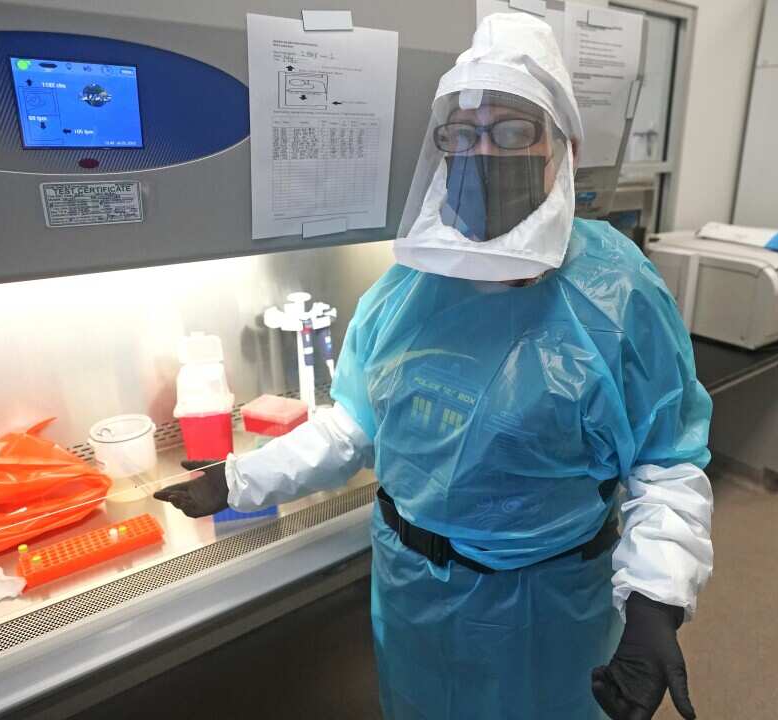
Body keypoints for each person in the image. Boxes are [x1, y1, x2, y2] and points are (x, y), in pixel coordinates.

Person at [154, 12, 714, 719]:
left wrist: (656, 603)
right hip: (416, 597)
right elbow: (353, 425)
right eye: (464, 133)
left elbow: (665, 461)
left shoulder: (615, 293)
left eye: (512, 130)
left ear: (563, 146)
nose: (483, 152)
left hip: (551, 610)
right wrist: (240, 478)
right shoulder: (406, 288)